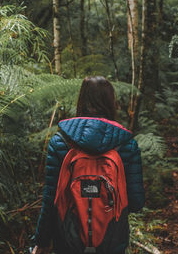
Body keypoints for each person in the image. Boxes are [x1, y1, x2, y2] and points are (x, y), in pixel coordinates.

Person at [32, 76, 145, 254]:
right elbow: (136, 203)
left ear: (81, 100)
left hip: (67, 242)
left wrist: (42, 241)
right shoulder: (126, 145)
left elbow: (51, 201)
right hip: (111, 243)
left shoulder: (60, 142)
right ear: (111, 102)